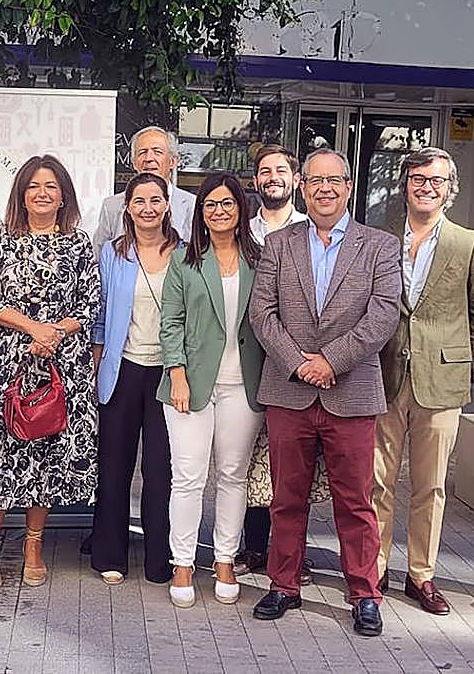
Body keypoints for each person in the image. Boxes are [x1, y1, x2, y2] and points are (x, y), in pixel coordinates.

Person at [248, 147, 401, 637]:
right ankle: (283, 585)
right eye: (314, 181)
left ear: (349, 186)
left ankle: (364, 593)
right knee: (285, 500)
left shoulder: (379, 245)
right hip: (289, 392)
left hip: (351, 392)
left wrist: (330, 361)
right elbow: (261, 314)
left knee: (355, 501)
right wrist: (299, 364)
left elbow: (383, 316)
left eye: (334, 180)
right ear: (301, 186)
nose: (324, 189)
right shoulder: (279, 245)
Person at [0, 155, 100, 590]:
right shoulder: (1, 239)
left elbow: (90, 305)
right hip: (6, 361)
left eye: (51, 186)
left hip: (61, 361)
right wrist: (33, 329)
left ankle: (34, 544)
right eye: (34, 185)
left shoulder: (79, 244)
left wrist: (52, 333)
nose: (42, 192)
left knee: (46, 455)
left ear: (63, 196)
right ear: (22, 193)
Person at [374, 147, 474, 614]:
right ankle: (377, 565)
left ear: (450, 189)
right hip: (384, 374)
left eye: (437, 180)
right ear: (405, 184)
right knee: (377, 480)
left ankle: (421, 574)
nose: (427, 186)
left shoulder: (470, 244)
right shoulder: (379, 238)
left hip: (441, 382)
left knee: (430, 485)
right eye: (418, 177)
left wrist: (451, 350)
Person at [158, 174, 264, 608]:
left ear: (241, 209)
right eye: (210, 205)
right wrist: (177, 374)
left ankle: (223, 559)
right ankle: (183, 562)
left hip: (245, 386)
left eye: (227, 204)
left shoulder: (262, 259)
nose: (219, 211)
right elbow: (171, 323)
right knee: (187, 478)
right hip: (191, 386)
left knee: (233, 475)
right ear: (200, 213)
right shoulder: (185, 261)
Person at [88, 172, 180, 585]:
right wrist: (96, 362)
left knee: (162, 469)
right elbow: (101, 310)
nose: (147, 207)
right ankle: (110, 553)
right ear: (127, 207)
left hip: (168, 371)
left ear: (167, 205)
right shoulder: (113, 252)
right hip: (121, 367)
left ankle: (161, 559)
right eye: (139, 200)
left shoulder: (184, 252)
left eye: (155, 200)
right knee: (114, 464)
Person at [237, 144, 322, 582]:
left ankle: (293, 554)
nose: (273, 177)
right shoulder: (241, 230)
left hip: (300, 368)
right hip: (250, 358)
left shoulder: (313, 229)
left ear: (296, 181)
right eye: (264, 171)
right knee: (250, 458)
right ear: (255, 181)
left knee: (294, 465)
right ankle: (253, 547)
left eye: (281, 170)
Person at [93, 126, 194, 247]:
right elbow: (100, 254)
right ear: (134, 163)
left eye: (157, 152)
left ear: (173, 161)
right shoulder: (112, 206)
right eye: (142, 152)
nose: (149, 158)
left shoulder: (192, 205)